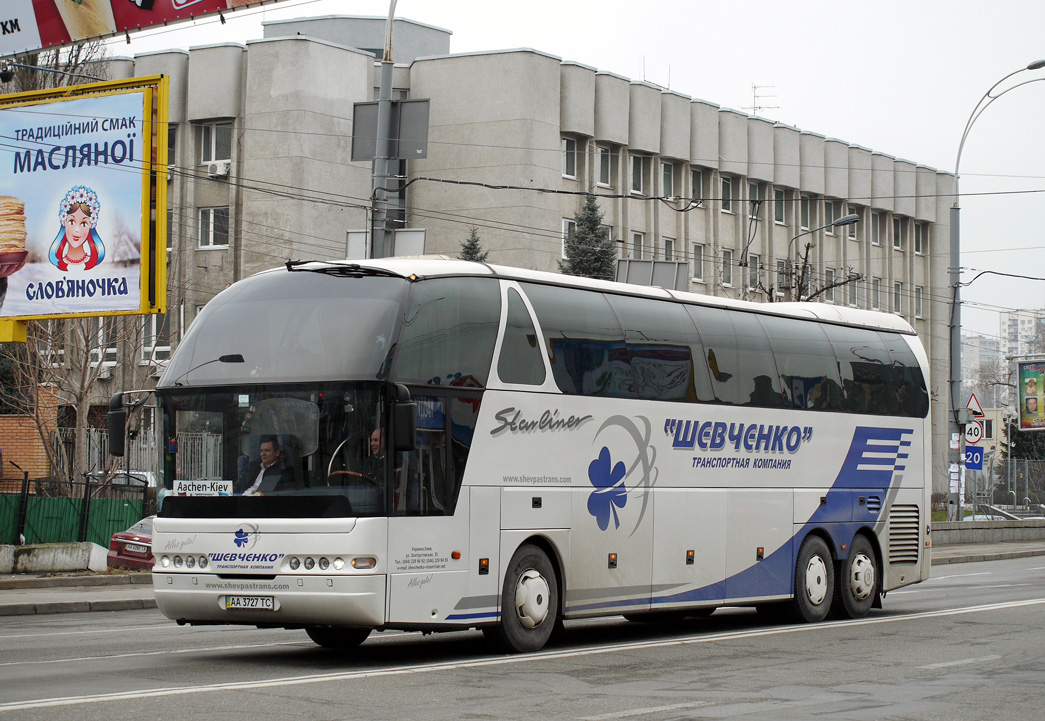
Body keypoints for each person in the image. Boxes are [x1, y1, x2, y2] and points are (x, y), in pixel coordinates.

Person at [48, 185, 106, 272]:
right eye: (71, 222)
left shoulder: (100, 269)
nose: (77, 230)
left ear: (91, 226)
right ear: (64, 222)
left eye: (83, 224)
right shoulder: (51, 268)